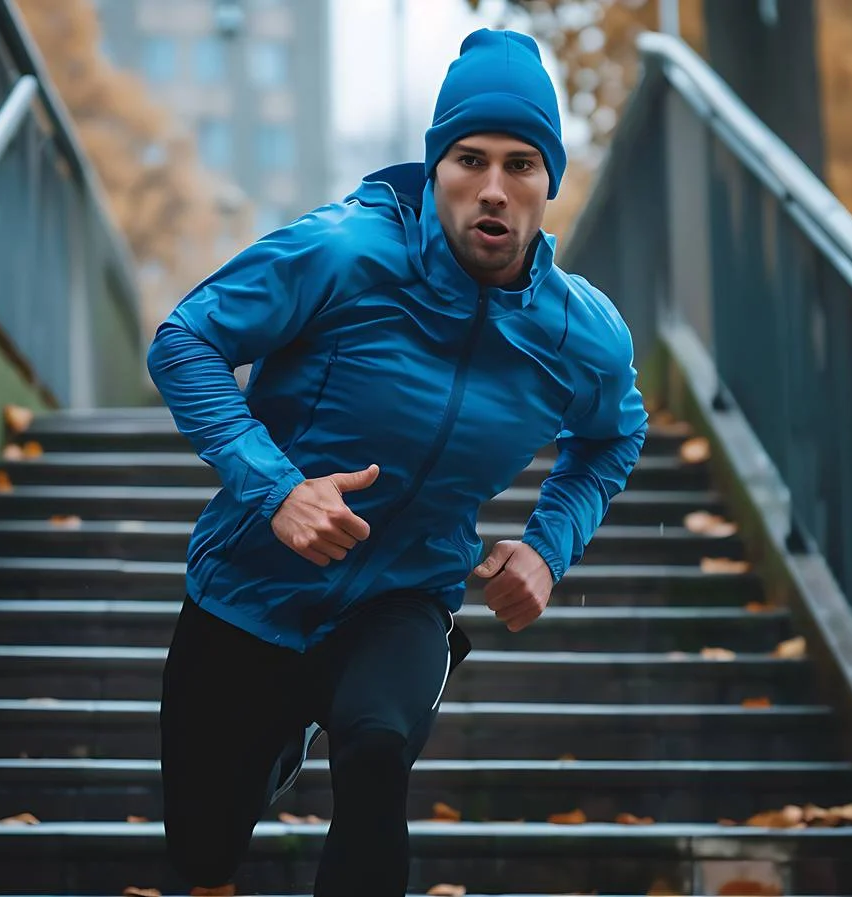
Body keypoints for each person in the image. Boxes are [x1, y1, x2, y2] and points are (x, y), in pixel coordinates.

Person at [145, 27, 648, 897]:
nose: (493, 188)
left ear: (549, 183)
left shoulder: (582, 335)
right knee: (203, 847)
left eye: (522, 164)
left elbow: (611, 436)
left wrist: (546, 546)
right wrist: (277, 490)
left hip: (404, 594)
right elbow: (185, 339)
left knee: (377, 749)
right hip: (250, 585)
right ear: (436, 167)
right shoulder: (342, 252)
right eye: (469, 159)